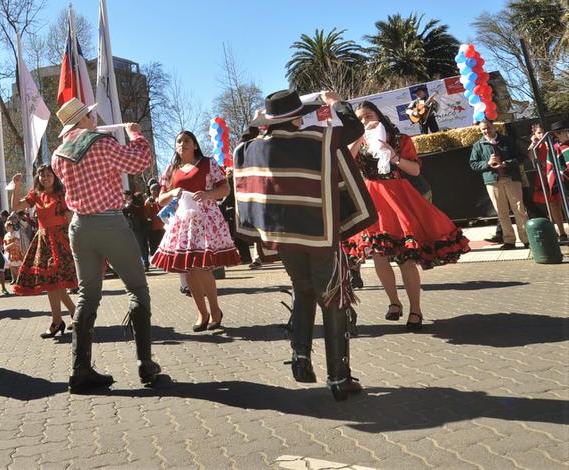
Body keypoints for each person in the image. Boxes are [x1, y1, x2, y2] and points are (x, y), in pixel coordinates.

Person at [233, 89, 374, 400]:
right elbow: (353, 127)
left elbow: (243, 142)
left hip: (283, 236)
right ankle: (338, 376)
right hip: (318, 231)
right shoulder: (316, 138)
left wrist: (257, 121)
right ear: (297, 117)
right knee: (333, 296)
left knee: (302, 287)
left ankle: (300, 357)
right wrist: (335, 103)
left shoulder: (252, 149)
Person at [50, 98, 166, 392]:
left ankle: (80, 370)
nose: (94, 117)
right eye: (91, 114)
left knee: (88, 295)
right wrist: (135, 134)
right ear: (85, 118)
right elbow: (140, 162)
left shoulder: (58, 154)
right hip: (110, 222)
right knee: (137, 289)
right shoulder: (100, 142)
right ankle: (146, 365)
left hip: (80, 226)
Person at [343, 101, 471, 331]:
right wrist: (358, 136)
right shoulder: (359, 142)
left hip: (399, 196)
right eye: (359, 118)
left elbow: (415, 170)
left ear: (379, 115)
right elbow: (345, 163)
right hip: (373, 200)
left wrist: (394, 157)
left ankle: (415, 310)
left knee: (406, 259)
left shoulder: (400, 140)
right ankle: (394, 302)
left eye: (368, 115)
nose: (364, 121)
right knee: (379, 257)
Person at [153, 131, 240, 331]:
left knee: (200, 267)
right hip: (182, 222)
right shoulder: (171, 169)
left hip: (206, 219)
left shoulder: (208, 163)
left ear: (194, 145)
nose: (182, 144)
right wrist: (172, 192)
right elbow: (160, 199)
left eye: (186, 141)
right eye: (179, 141)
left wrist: (209, 194)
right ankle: (202, 312)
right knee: (189, 269)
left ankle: (215, 310)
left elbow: (225, 189)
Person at [9, 166, 78, 338]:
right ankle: (70, 315)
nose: (45, 178)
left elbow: (69, 219)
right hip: (43, 239)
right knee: (51, 281)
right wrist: (16, 186)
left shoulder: (62, 194)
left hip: (61, 239)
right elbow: (16, 206)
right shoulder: (35, 194)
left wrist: (73, 242)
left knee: (55, 280)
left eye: (48, 175)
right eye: (42, 175)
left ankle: (60, 320)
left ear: (55, 177)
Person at [470, 119, 529, 248]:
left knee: (519, 209)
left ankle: (526, 239)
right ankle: (509, 241)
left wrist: (506, 163)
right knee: (501, 212)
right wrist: (487, 163)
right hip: (492, 181)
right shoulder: (478, 145)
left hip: (511, 179)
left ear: (494, 127)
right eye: (483, 129)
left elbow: (521, 157)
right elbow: (473, 164)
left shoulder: (508, 141)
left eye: (488, 128)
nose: (486, 131)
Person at [530, 121, 568, 239]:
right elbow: (531, 158)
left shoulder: (556, 144)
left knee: (564, 201)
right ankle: (561, 232)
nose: (541, 135)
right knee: (553, 204)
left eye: (543, 132)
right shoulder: (537, 145)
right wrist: (533, 143)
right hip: (546, 177)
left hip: (560, 175)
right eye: (539, 133)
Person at [2, 220, 24, 285]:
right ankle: (13, 279)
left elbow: (16, 243)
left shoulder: (16, 233)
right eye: (6, 227)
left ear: (11, 227)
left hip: (15, 251)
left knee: (16, 266)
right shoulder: (6, 235)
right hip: (9, 251)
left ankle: (19, 279)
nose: (6, 229)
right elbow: (5, 244)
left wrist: (8, 246)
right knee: (11, 266)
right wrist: (6, 247)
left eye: (7, 227)